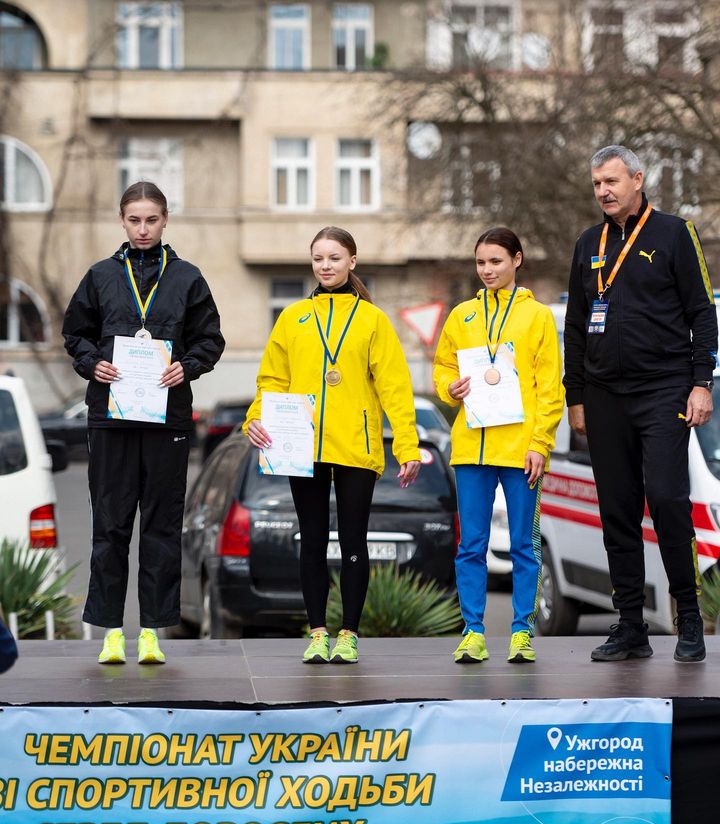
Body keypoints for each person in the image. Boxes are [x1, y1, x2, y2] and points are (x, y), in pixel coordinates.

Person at [564, 145, 718, 663]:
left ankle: (689, 617)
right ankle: (630, 625)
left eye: (610, 182)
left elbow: (703, 312)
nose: (603, 192)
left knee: (669, 499)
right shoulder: (589, 243)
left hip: (664, 390)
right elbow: (576, 327)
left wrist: (701, 383)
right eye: (596, 185)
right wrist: (576, 397)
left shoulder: (676, 233)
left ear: (637, 178)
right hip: (605, 396)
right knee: (618, 511)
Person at [63, 181, 225, 665]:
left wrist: (187, 366)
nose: (143, 228)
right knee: (109, 526)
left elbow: (210, 339)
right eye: (134, 219)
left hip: (166, 420)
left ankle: (152, 631)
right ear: (122, 221)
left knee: (160, 525)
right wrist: (92, 363)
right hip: (110, 420)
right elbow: (75, 334)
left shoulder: (188, 278)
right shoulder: (99, 276)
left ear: (166, 219)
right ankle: (112, 631)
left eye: (151, 219)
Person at [244, 226, 421, 664]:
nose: (326, 266)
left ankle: (349, 634)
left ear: (352, 262)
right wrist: (255, 418)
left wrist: (408, 446)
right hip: (300, 445)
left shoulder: (373, 320)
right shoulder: (292, 318)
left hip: (356, 448)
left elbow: (395, 388)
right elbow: (272, 379)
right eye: (319, 258)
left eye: (335, 258)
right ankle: (318, 631)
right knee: (312, 540)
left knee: (354, 541)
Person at [434, 227, 564, 664]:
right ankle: (473, 631)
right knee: (471, 544)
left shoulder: (538, 317)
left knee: (525, 545)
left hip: (520, 450)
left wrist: (540, 444)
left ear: (517, 260)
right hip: (471, 449)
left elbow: (550, 388)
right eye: (480, 263)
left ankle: (522, 631)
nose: (486, 270)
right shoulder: (461, 316)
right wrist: (447, 388)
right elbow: (442, 368)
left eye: (495, 261)